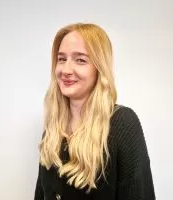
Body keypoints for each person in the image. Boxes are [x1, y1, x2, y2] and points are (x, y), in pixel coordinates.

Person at [34, 23, 156, 200]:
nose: (66, 70)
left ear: (99, 68)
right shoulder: (53, 128)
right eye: (61, 59)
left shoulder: (121, 123)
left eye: (80, 60)